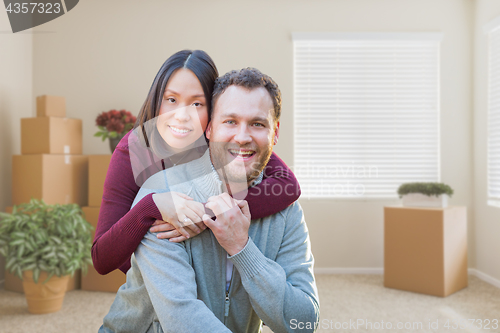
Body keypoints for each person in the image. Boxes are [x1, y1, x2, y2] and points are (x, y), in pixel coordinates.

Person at [99, 68, 320, 333]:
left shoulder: (286, 210)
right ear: (209, 128)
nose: (242, 136)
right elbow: (182, 318)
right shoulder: (161, 194)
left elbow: (304, 323)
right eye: (230, 121)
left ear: (275, 133)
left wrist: (242, 247)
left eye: (258, 124)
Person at [92, 50, 301, 275]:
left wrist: (203, 213)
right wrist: (153, 206)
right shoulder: (132, 152)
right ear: (157, 101)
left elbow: (288, 186)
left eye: (197, 104)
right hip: (151, 273)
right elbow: (102, 258)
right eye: (171, 100)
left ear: (213, 112)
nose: (182, 115)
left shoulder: (223, 141)